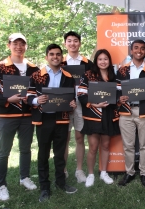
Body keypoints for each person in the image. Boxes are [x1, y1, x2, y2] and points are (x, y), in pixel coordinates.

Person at [0, 33, 39, 201]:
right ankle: (1, 185)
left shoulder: (33, 68)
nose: (19, 47)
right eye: (15, 43)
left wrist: (32, 98)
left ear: (26, 46)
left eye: (22, 43)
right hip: (6, 115)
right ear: (9, 45)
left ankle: (25, 177)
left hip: (27, 115)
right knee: (3, 152)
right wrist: (7, 100)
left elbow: (37, 90)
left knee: (25, 149)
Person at [27, 44, 78, 202]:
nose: (55, 57)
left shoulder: (68, 77)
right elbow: (28, 96)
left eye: (58, 54)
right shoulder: (36, 75)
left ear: (62, 57)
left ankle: (61, 182)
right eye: (52, 54)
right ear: (46, 57)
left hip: (61, 118)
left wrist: (72, 104)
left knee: (60, 153)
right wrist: (37, 100)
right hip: (44, 119)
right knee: (43, 154)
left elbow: (71, 98)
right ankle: (44, 187)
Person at [117, 40, 145, 187]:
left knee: (144, 145)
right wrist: (119, 98)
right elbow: (116, 90)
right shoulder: (122, 70)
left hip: (143, 111)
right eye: (136, 48)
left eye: (142, 49)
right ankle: (129, 172)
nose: (139, 51)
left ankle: (144, 173)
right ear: (131, 51)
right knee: (128, 145)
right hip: (126, 111)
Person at [77, 49, 120, 187]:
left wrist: (121, 98)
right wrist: (94, 103)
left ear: (109, 60)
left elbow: (119, 93)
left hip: (108, 115)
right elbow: (81, 94)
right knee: (93, 147)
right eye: (100, 59)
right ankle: (90, 174)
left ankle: (103, 172)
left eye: (105, 59)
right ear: (96, 61)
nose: (103, 62)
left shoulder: (114, 75)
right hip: (93, 115)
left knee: (106, 146)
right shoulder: (88, 75)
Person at [62, 31, 94, 183]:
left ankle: (79, 170)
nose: (72, 43)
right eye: (69, 41)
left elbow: (94, 84)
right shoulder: (60, 62)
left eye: (75, 41)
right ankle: (63, 169)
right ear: (65, 44)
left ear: (79, 43)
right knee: (65, 138)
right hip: (64, 103)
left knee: (80, 137)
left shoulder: (87, 63)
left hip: (82, 103)